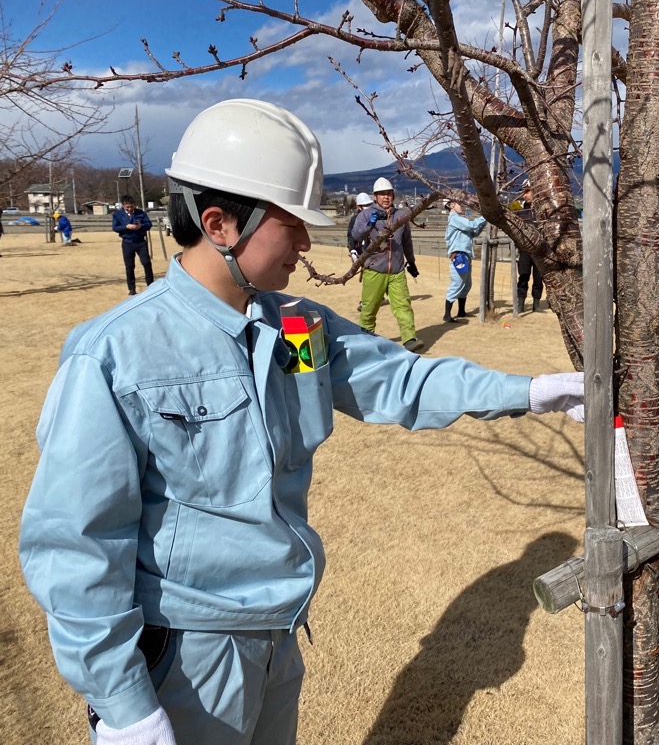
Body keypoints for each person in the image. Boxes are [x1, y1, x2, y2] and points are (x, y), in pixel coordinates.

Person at [19, 98, 585, 745]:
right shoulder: (120, 354)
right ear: (220, 224)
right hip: (186, 661)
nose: (307, 242)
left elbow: (399, 380)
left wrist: (534, 391)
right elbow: (76, 546)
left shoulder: (291, 326)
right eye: (292, 224)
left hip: (278, 641)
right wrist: (123, 706)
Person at [352, 177, 422, 352]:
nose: (385, 197)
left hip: (397, 270)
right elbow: (356, 235)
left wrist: (411, 262)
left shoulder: (401, 216)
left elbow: (407, 242)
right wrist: (371, 224)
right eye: (381, 194)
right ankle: (366, 340)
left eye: (388, 194)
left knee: (403, 306)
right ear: (375, 197)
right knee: (369, 308)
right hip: (374, 269)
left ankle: (409, 339)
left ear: (393, 195)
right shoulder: (366, 214)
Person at [442, 198, 487, 323]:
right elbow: (471, 225)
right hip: (459, 256)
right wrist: (485, 217)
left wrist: (483, 222)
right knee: (457, 284)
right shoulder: (455, 219)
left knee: (466, 285)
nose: (462, 206)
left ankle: (461, 311)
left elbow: (473, 232)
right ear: (451, 205)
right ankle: (447, 315)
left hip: (464, 255)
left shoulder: (459, 220)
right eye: (459, 204)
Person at [112, 194, 154, 295]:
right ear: (123, 205)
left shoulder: (141, 213)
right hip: (127, 242)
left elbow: (149, 224)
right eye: (127, 207)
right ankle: (131, 288)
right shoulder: (117, 215)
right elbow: (115, 227)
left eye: (131, 206)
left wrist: (141, 226)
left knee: (146, 263)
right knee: (129, 266)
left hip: (140, 242)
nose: (130, 208)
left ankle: (151, 285)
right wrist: (125, 226)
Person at [515, 182, 544, 312]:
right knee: (523, 276)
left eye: (527, 191)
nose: (525, 195)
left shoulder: (542, 211)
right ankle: (520, 303)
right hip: (524, 250)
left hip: (539, 250)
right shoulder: (521, 212)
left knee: (538, 278)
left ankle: (536, 304)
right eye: (523, 192)